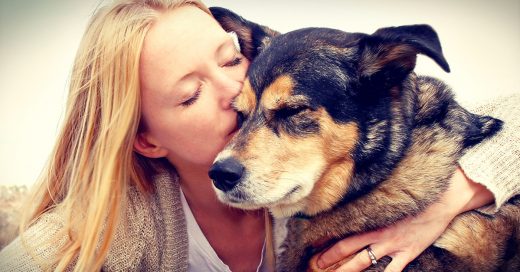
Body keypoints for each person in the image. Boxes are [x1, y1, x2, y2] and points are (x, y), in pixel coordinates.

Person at [0, 0, 518, 271]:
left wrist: (459, 191)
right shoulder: (118, 226)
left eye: (230, 58)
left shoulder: (313, 149)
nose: (235, 90)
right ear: (148, 140)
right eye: (188, 95)